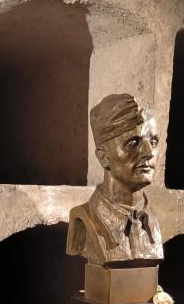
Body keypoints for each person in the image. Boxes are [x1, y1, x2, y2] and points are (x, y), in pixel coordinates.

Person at [66, 93, 164, 266]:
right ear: (103, 157)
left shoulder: (154, 223)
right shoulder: (83, 220)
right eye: (133, 143)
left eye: (154, 141)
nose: (149, 153)